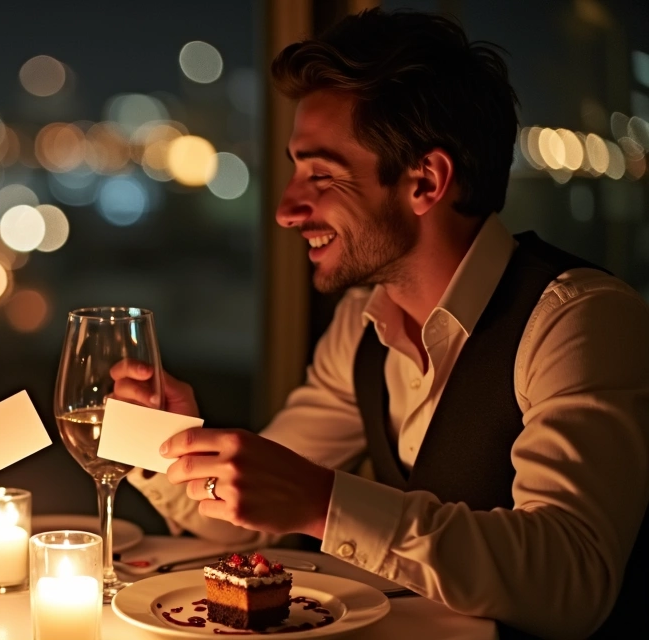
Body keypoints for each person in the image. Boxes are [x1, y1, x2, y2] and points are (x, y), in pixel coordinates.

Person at [113, 9, 649, 639]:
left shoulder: (579, 320)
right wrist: (158, 437)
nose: (287, 210)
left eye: (320, 174)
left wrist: (322, 502)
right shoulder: (361, 325)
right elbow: (244, 521)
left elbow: (573, 579)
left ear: (425, 180)